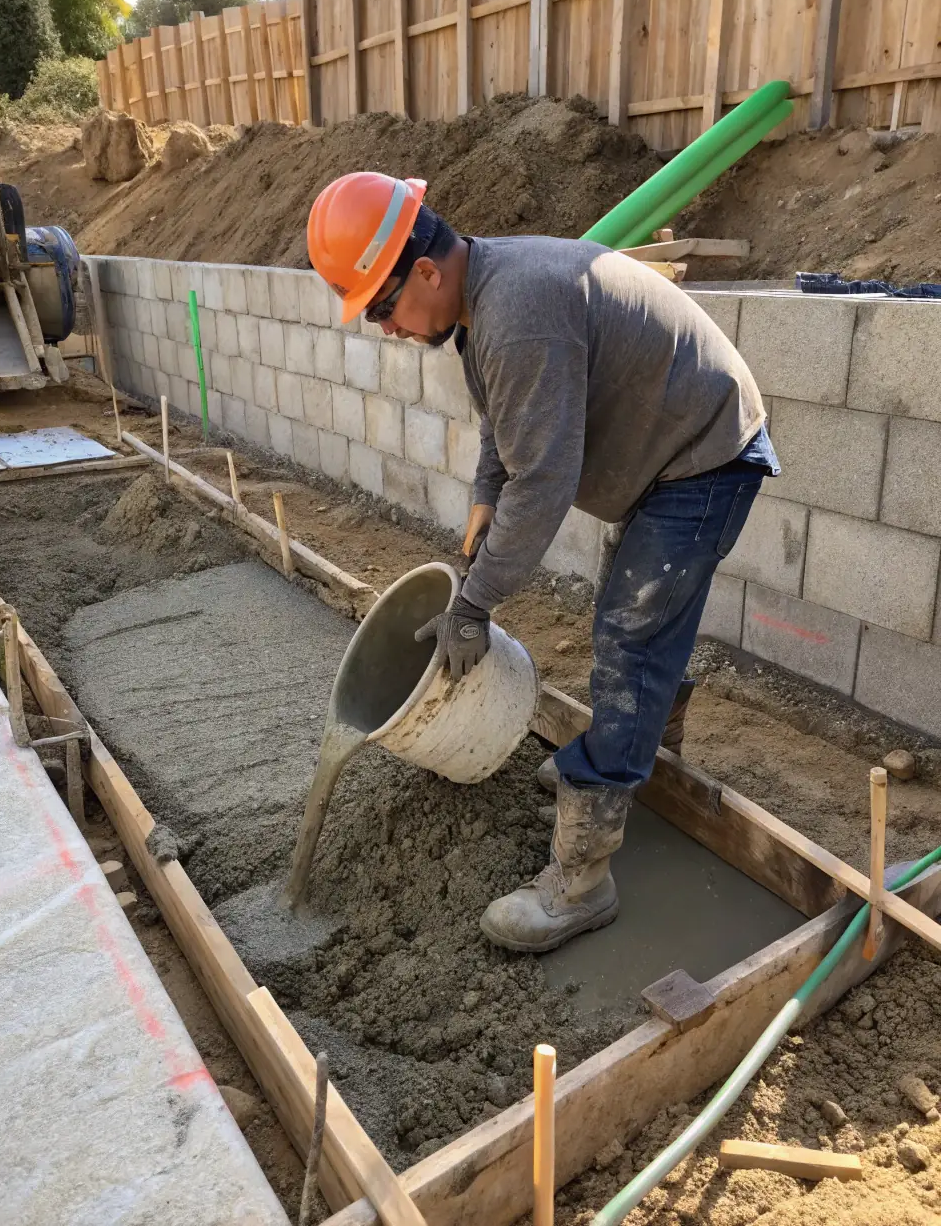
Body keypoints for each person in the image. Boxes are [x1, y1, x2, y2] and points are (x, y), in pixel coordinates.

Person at [306, 171, 779, 954]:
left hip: (704, 454)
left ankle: (582, 879)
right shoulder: (480, 304)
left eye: (382, 309)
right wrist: (483, 496)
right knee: (635, 617)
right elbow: (506, 429)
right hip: (667, 449)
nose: (386, 329)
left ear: (423, 271)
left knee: (630, 635)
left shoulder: (517, 311)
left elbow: (545, 482)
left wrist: (473, 603)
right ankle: (645, 753)